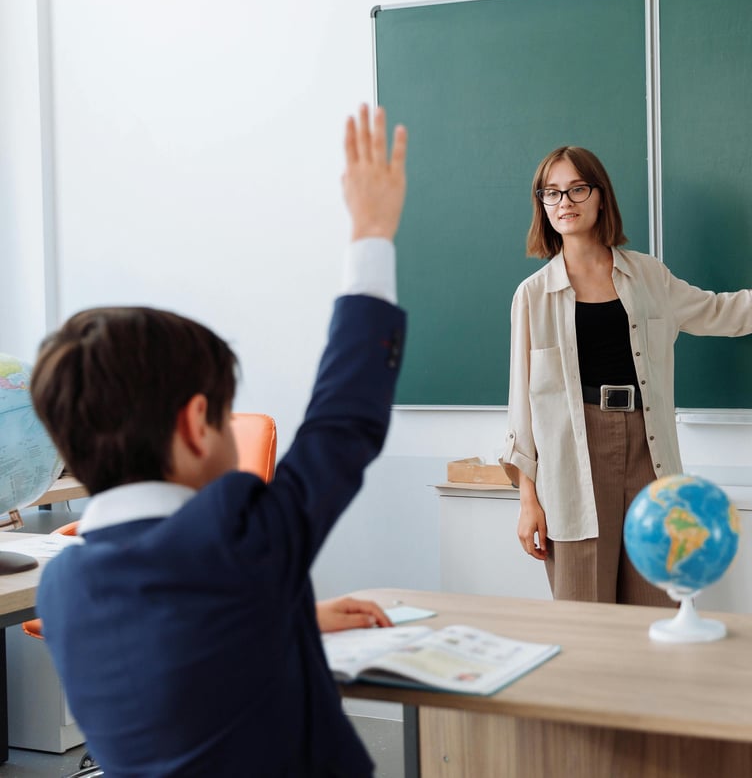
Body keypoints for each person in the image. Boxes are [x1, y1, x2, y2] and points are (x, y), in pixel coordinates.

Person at [30, 104, 407, 777]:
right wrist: (371, 231)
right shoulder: (237, 540)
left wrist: (291, 612)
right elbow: (343, 420)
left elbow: (182, 654)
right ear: (194, 422)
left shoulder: (63, 585)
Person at [501, 145, 752, 605]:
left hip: (646, 442)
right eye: (551, 193)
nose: (564, 202)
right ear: (541, 204)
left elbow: (720, 311)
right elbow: (523, 411)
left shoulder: (649, 276)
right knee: (585, 611)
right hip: (572, 458)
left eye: (577, 188)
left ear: (600, 196)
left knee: (656, 603)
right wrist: (527, 502)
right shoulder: (533, 296)